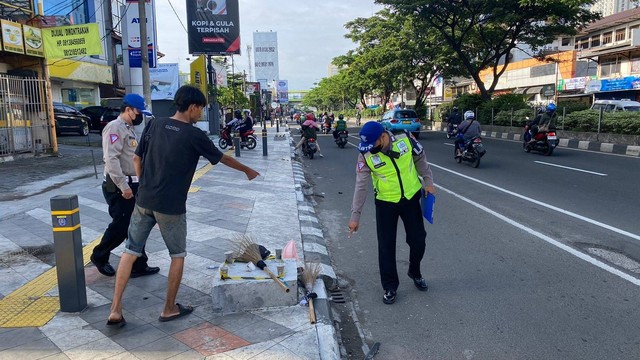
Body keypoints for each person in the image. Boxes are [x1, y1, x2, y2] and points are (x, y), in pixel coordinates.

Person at [106, 85, 260, 327]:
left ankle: (115, 310)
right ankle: (168, 308)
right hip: (171, 205)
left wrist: (145, 184)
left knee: (130, 251)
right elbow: (222, 158)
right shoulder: (193, 134)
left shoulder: (154, 124)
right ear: (192, 107)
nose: (200, 114)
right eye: (200, 109)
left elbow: (137, 158)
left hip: (144, 200)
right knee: (177, 255)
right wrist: (248, 170)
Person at [348, 121, 436, 305]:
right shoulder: (365, 155)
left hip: (411, 198)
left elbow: (420, 158)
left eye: (373, 144)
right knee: (386, 246)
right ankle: (390, 286)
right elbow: (361, 185)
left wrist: (428, 181)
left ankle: (415, 271)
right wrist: (355, 216)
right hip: (385, 202)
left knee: (418, 240)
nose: (370, 149)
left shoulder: (404, 138)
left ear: (383, 136)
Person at [90, 94, 160, 278]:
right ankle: (99, 256)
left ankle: (138, 264)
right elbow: (111, 159)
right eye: (138, 112)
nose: (139, 117)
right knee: (121, 226)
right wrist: (124, 187)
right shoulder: (114, 127)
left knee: (137, 225)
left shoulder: (128, 128)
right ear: (128, 109)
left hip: (133, 184)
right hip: (119, 187)